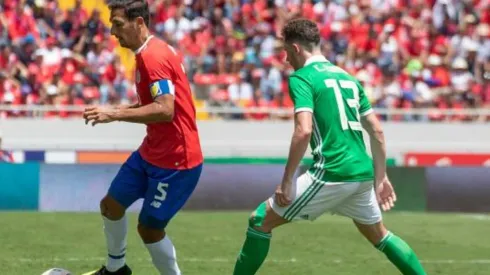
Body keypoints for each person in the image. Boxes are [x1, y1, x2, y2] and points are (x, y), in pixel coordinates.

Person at [232, 18, 427, 275]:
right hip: (362, 173)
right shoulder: (348, 78)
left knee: (259, 221)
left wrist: (287, 180)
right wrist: (381, 176)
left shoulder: (302, 78)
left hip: (333, 172)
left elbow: (303, 131)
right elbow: (377, 130)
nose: (287, 59)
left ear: (297, 48)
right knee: (379, 235)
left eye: (287, 52)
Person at [82, 1, 203, 274]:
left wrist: (114, 115)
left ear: (139, 23)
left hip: (176, 162)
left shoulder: (153, 57)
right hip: (151, 152)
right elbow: (158, 103)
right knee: (111, 206)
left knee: (149, 229)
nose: (113, 32)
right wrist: (114, 110)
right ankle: (116, 270)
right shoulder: (147, 52)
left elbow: (165, 109)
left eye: (118, 24)